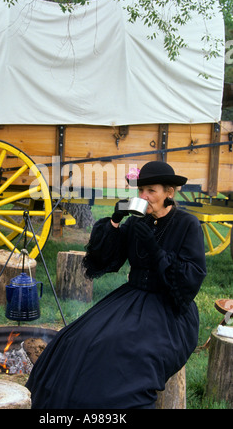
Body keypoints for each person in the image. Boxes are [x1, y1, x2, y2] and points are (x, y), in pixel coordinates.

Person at [25, 161, 206, 409]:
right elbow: (104, 261)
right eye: (140, 190)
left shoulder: (187, 224)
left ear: (169, 193)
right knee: (75, 339)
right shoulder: (137, 221)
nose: (144, 196)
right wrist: (115, 222)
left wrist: (154, 249)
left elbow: (189, 282)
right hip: (132, 298)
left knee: (120, 350)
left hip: (170, 310)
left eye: (151, 191)